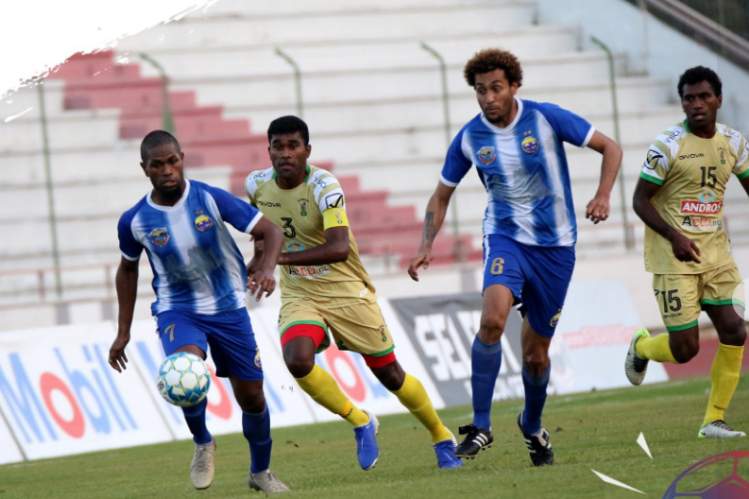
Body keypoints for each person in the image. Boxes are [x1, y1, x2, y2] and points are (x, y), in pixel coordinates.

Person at [408, 49, 622, 466]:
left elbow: (610, 148)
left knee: (535, 356)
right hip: (505, 238)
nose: (488, 98)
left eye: (496, 88)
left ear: (514, 86)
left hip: (556, 249)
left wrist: (602, 195)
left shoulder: (545, 118)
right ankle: (481, 424)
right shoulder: (470, 138)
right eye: (480, 90)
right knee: (491, 321)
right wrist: (425, 244)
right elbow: (441, 194)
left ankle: (532, 425)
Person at [245, 115, 462, 470]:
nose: (285, 153)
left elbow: (339, 247)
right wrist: (259, 260)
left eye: (293, 146)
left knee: (390, 375)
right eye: (278, 146)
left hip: (346, 289)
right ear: (268, 150)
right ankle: (360, 420)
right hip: (301, 292)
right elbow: (262, 233)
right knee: (297, 360)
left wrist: (274, 260)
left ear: (307, 150)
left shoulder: (324, 186)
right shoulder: (256, 185)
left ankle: (441, 435)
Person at [108, 130, 290, 493]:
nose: (167, 170)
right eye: (157, 165)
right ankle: (203, 442)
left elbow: (271, 231)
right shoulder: (135, 221)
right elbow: (127, 270)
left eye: (172, 161)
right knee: (185, 372)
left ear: (182, 159)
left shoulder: (210, 198)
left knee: (252, 397)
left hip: (228, 308)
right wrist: (123, 331)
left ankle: (260, 472)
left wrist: (268, 268)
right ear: (145, 168)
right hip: (178, 311)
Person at [625, 66, 748, 439]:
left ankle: (713, 420)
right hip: (673, 256)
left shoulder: (734, 142)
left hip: (716, 254)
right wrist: (673, 235)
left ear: (718, 100)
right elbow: (639, 200)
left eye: (704, 97)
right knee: (685, 349)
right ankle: (642, 347)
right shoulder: (668, 145)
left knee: (735, 329)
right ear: (682, 104)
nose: (697, 104)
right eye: (689, 98)